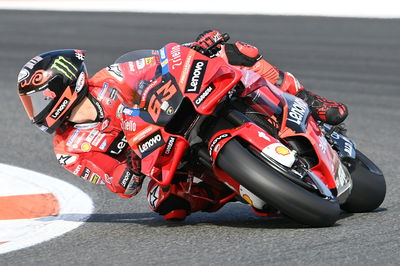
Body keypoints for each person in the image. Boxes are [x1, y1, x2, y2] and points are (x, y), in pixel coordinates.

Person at [17, 30, 348, 221]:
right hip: (162, 157)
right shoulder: (69, 149)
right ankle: (244, 187)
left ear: (63, 84)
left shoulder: (112, 78)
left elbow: (160, 64)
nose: (38, 109)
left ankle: (307, 99)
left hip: (178, 112)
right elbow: (121, 185)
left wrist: (195, 49)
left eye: (40, 98)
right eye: (34, 103)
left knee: (233, 52)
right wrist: (130, 168)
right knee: (165, 205)